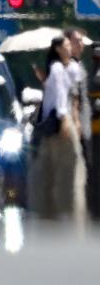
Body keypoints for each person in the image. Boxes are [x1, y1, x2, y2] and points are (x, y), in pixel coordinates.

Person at [29, 36, 80, 219]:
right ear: (58, 49)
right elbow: (59, 95)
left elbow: (66, 92)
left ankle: (53, 207)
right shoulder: (57, 67)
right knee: (60, 166)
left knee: (53, 166)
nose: (70, 47)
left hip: (53, 125)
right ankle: (59, 208)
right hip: (57, 124)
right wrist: (64, 117)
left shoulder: (70, 67)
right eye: (66, 45)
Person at [64, 27, 97, 218]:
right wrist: (75, 123)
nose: (81, 44)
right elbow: (73, 99)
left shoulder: (79, 65)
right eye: (77, 40)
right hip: (75, 127)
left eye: (82, 40)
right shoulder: (68, 66)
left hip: (85, 126)